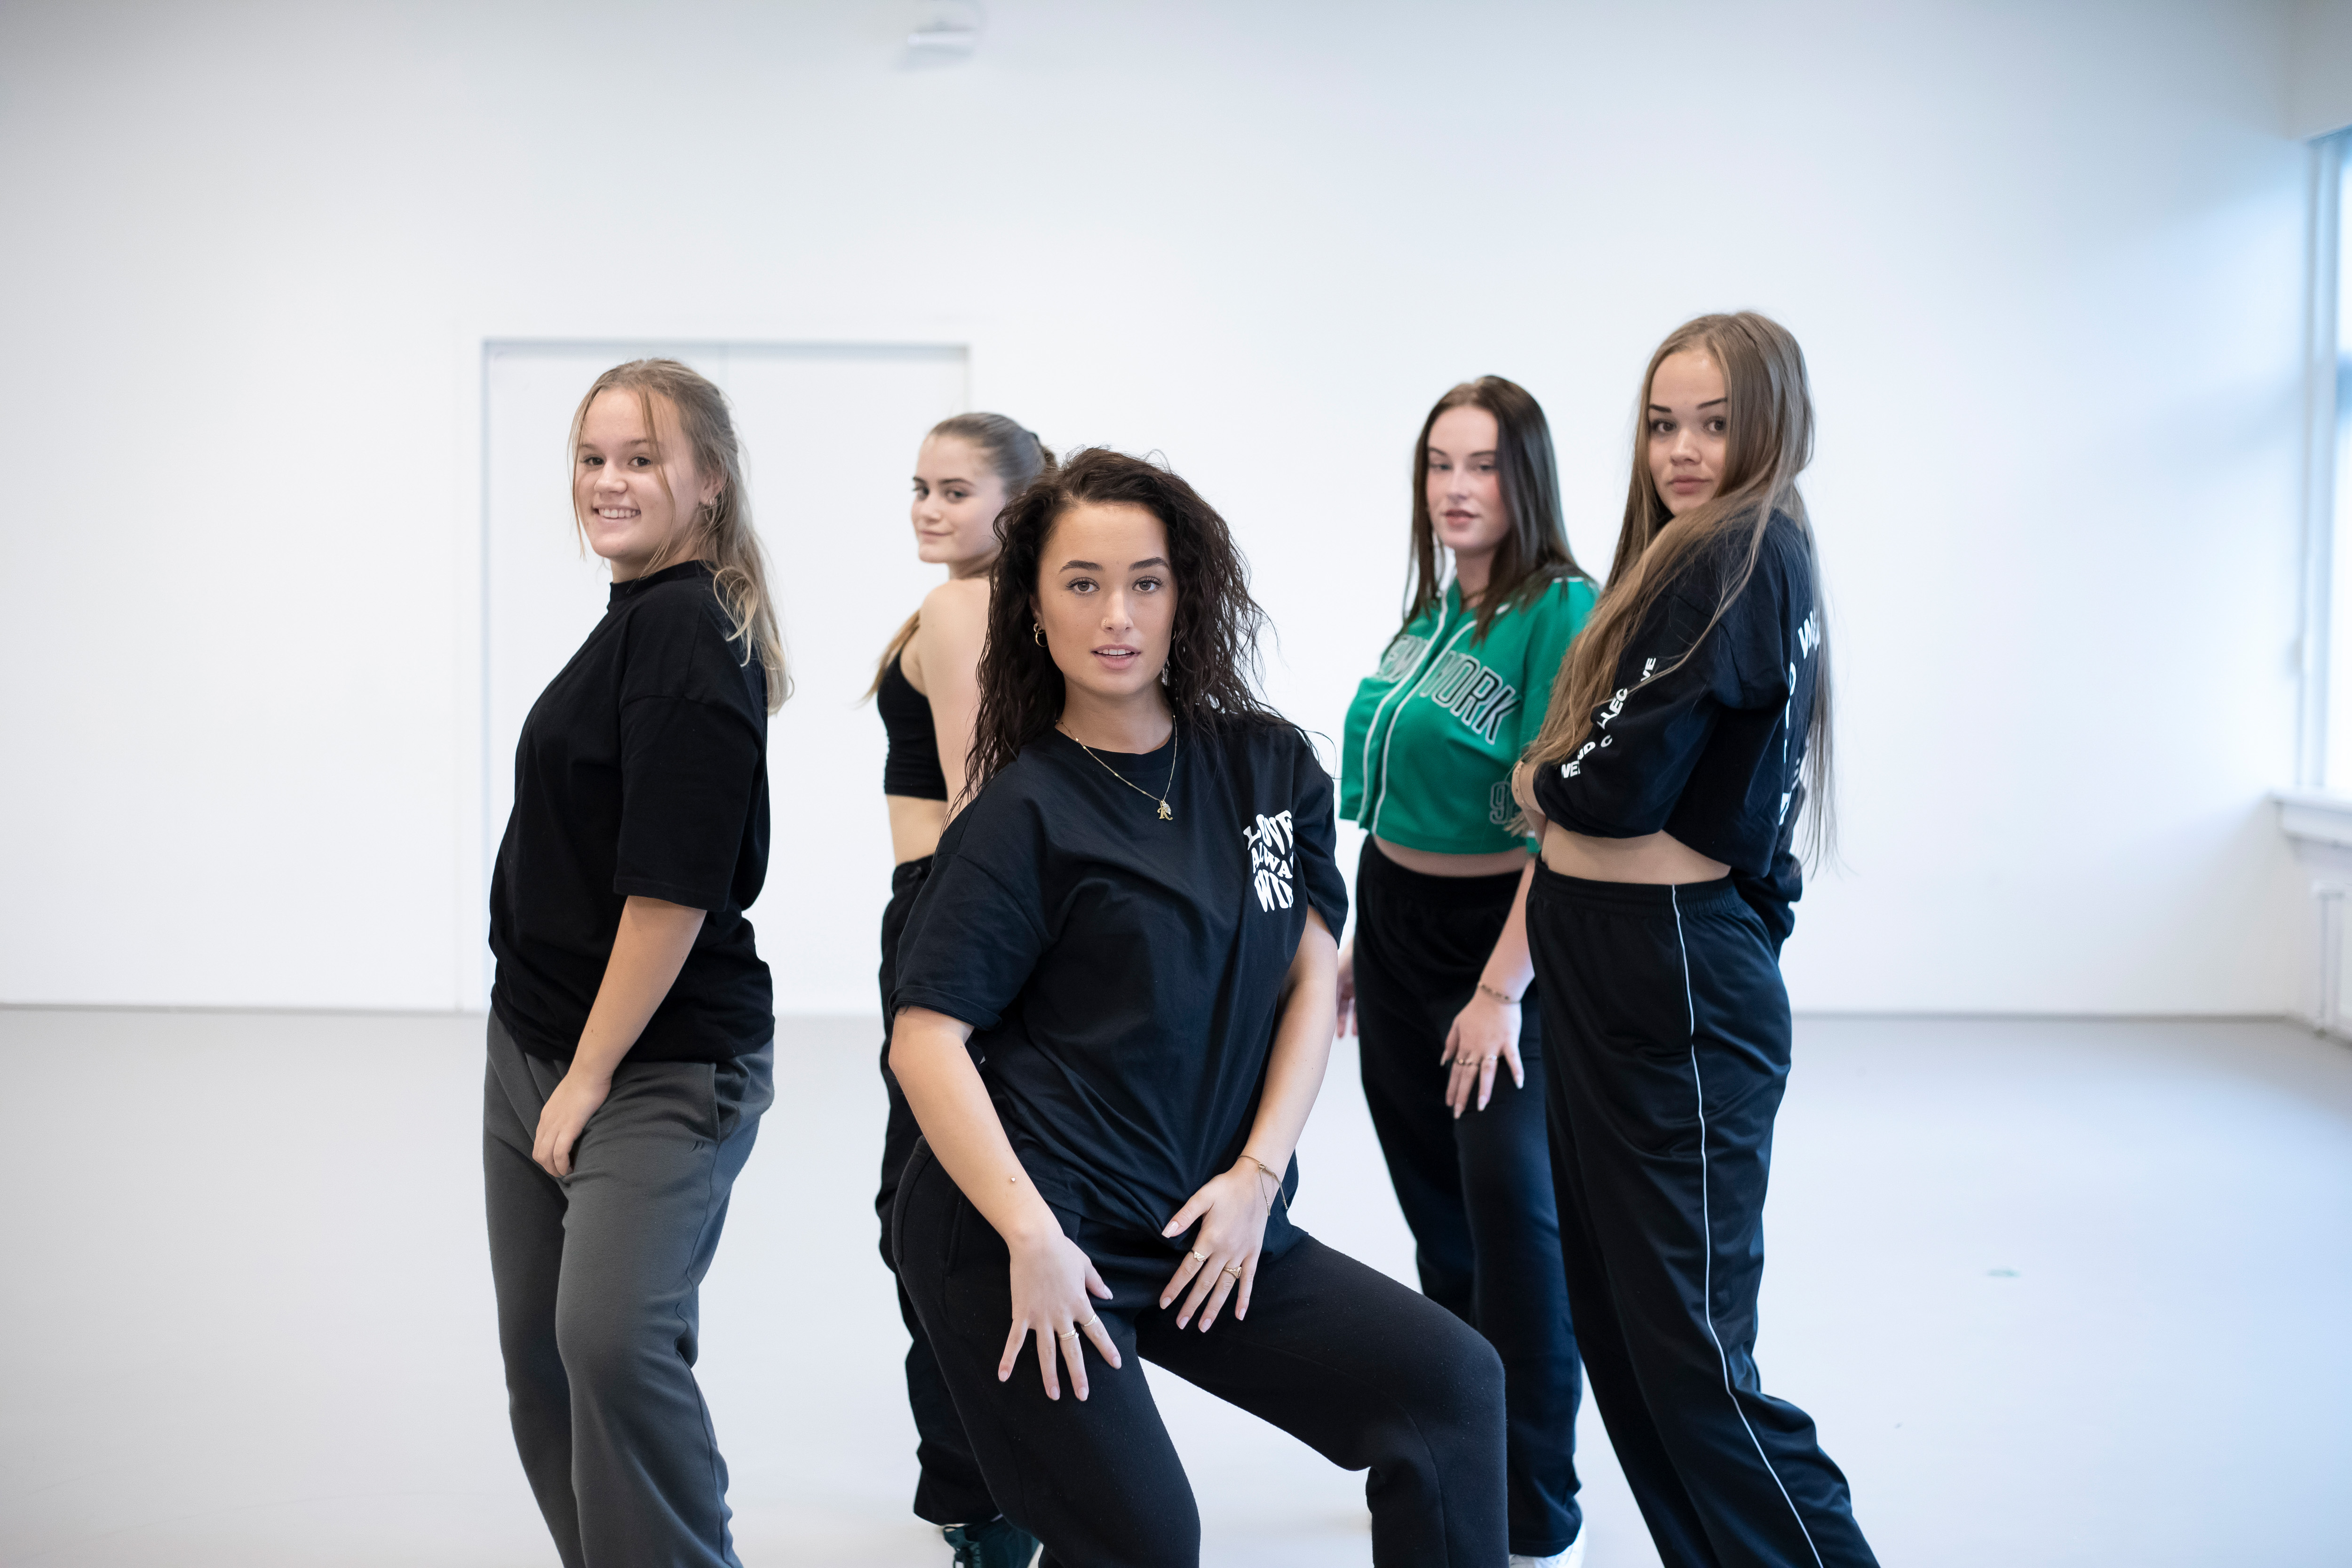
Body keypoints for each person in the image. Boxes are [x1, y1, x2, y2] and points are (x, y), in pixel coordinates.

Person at [887, 448, 1509, 1567]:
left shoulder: (1266, 766)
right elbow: (924, 1039)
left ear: (1188, 595)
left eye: (1146, 580)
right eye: (1081, 582)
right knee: (1149, 1539)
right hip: (1031, 1235)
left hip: (1208, 1219)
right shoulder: (1021, 813)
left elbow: (1313, 973)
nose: (1116, 614)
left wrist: (1256, 1180)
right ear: (1032, 607)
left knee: (1452, 1382)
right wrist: (1030, 1232)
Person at [1511, 313, 1877, 1568]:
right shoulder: (1708, 552)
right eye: (1665, 422)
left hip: (1665, 965)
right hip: (1623, 957)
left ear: (1771, 420)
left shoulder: (1740, 547)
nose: (1682, 448)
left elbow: (1618, 780)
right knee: (1624, 1332)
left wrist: (1543, 780)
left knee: (1692, 1356)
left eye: (1714, 421)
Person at [482, 359, 783, 1568]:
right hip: (538, 1037)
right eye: (594, 457)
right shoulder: (641, 613)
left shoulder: (688, 638)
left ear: (706, 481)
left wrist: (589, 1074)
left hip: (652, 1065)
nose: (609, 481)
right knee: (543, 1361)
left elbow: (670, 895)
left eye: (642, 457)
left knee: (609, 1340)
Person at [1338, 376, 1597, 1568]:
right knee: (1438, 1216)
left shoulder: (1561, 610)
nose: (1454, 487)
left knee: (1515, 1222)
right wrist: (1356, 943)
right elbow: (1392, 791)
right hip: (1394, 926)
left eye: (1482, 464)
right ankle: (1461, 1453)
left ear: (1525, 476)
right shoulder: (1435, 610)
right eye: (1439, 462)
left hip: (1499, 938)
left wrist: (1499, 992)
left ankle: (1535, 1503)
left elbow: (1568, 826)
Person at [869, 413, 1055, 1567]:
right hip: (975, 915)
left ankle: (981, 1498)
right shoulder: (1016, 608)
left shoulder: (956, 609)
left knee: (923, 1219)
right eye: (918, 489)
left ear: (1014, 505)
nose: (928, 511)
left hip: (944, 908)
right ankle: (1006, 1481)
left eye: (953, 492)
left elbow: (981, 793)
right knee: (974, 1204)